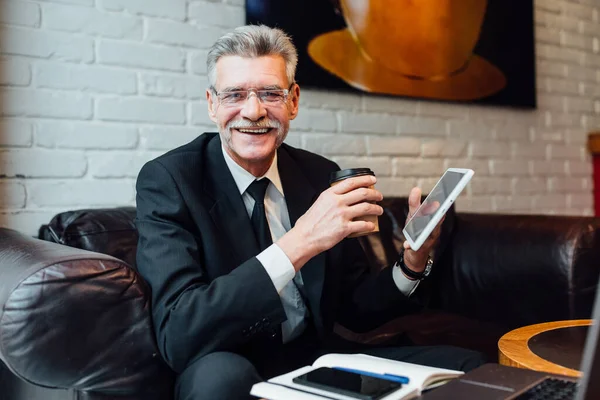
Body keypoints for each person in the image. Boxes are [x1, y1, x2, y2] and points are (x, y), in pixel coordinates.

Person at [135, 25, 484, 400]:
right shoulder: (169, 180)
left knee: (471, 367)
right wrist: (300, 241)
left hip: (315, 358)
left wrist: (412, 261)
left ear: (293, 101)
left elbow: (354, 308)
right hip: (227, 361)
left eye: (271, 93)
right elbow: (178, 332)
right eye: (234, 94)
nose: (253, 111)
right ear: (212, 104)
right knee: (221, 379)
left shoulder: (317, 174)